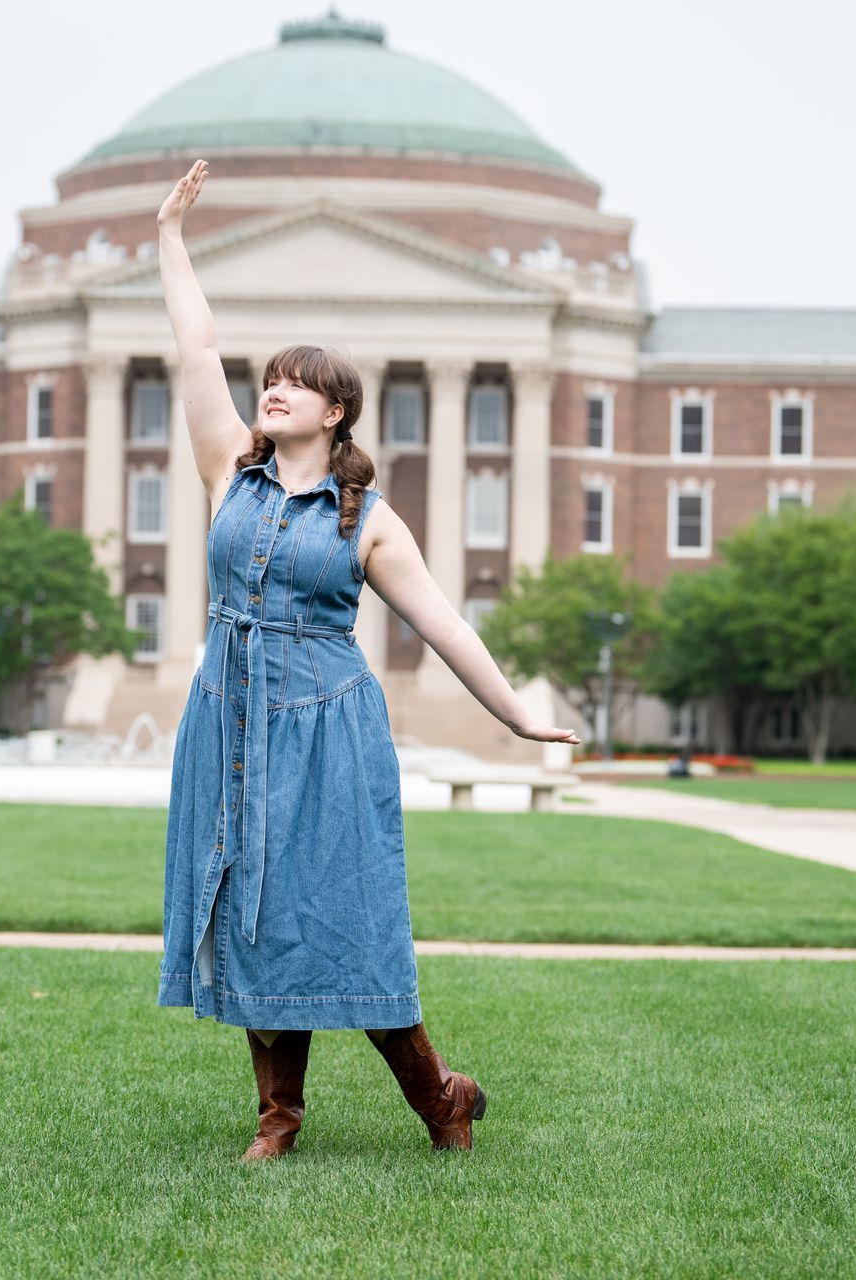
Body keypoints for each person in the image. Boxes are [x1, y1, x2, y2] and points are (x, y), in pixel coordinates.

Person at [151, 159, 582, 1161]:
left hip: (330, 725)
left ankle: (441, 1101)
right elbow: (196, 341)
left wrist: (517, 714)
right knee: (250, 905)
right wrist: (171, 238)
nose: (275, 390)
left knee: (340, 913)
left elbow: (442, 622)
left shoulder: (369, 521)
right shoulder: (230, 472)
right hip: (231, 711)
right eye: (272, 380)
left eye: (297, 383)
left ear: (336, 410)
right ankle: (279, 1116)